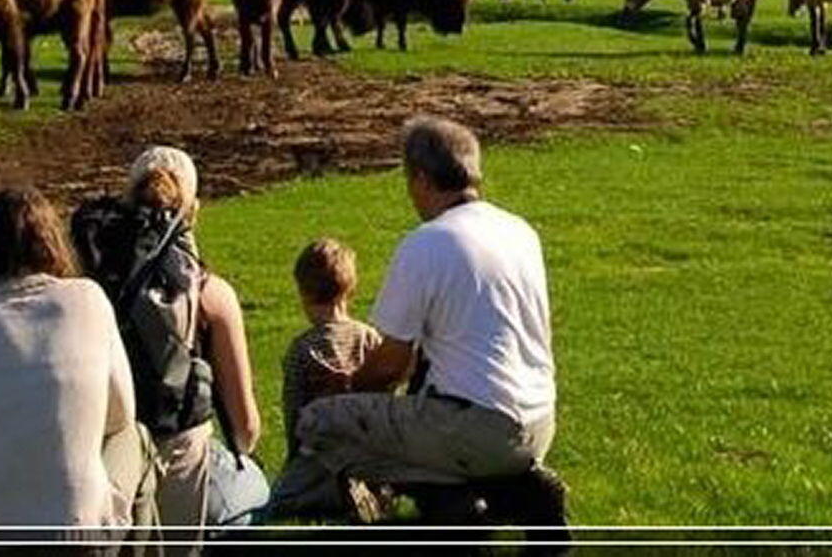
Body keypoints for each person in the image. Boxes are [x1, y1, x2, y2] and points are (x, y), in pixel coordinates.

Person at [291, 116, 568, 530]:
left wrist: (349, 388)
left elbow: (390, 364)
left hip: (476, 427)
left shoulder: (427, 242)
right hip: (538, 421)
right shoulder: (520, 231)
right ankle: (517, 489)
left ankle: (453, 503)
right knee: (416, 420)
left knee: (318, 422)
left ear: (420, 179)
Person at [0, 186, 139, 550]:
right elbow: (121, 414)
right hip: (76, 530)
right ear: (51, 244)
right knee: (132, 435)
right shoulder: (89, 300)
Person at [76, 146, 267, 554]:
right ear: (193, 211)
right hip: (178, 445)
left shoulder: (87, 286)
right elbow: (246, 428)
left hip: (102, 448)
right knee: (251, 486)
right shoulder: (210, 293)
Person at [265, 238, 383, 518]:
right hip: (366, 445)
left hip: (319, 450)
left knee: (279, 502)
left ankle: (330, 493)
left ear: (304, 293)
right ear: (350, 288)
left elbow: (293, 407)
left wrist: (292, 456)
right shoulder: (369, 338)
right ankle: (363, 490)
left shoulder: (302, 349)